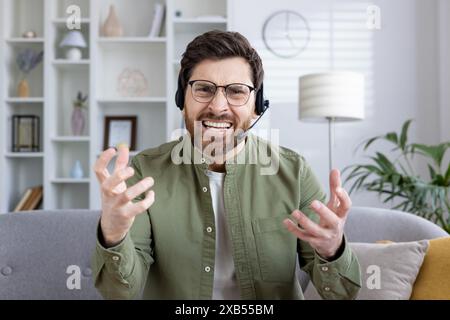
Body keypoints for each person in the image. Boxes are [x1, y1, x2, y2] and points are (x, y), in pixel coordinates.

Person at [92, 30, 361, 300]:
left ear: (257, 105)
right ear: (181, 100)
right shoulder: (143, 172)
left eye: (236, 92)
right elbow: (119, 292)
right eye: (204, 89)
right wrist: (113, 236)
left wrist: (332, 250)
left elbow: (342, 294)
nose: (218, 106)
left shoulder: (295, 172)